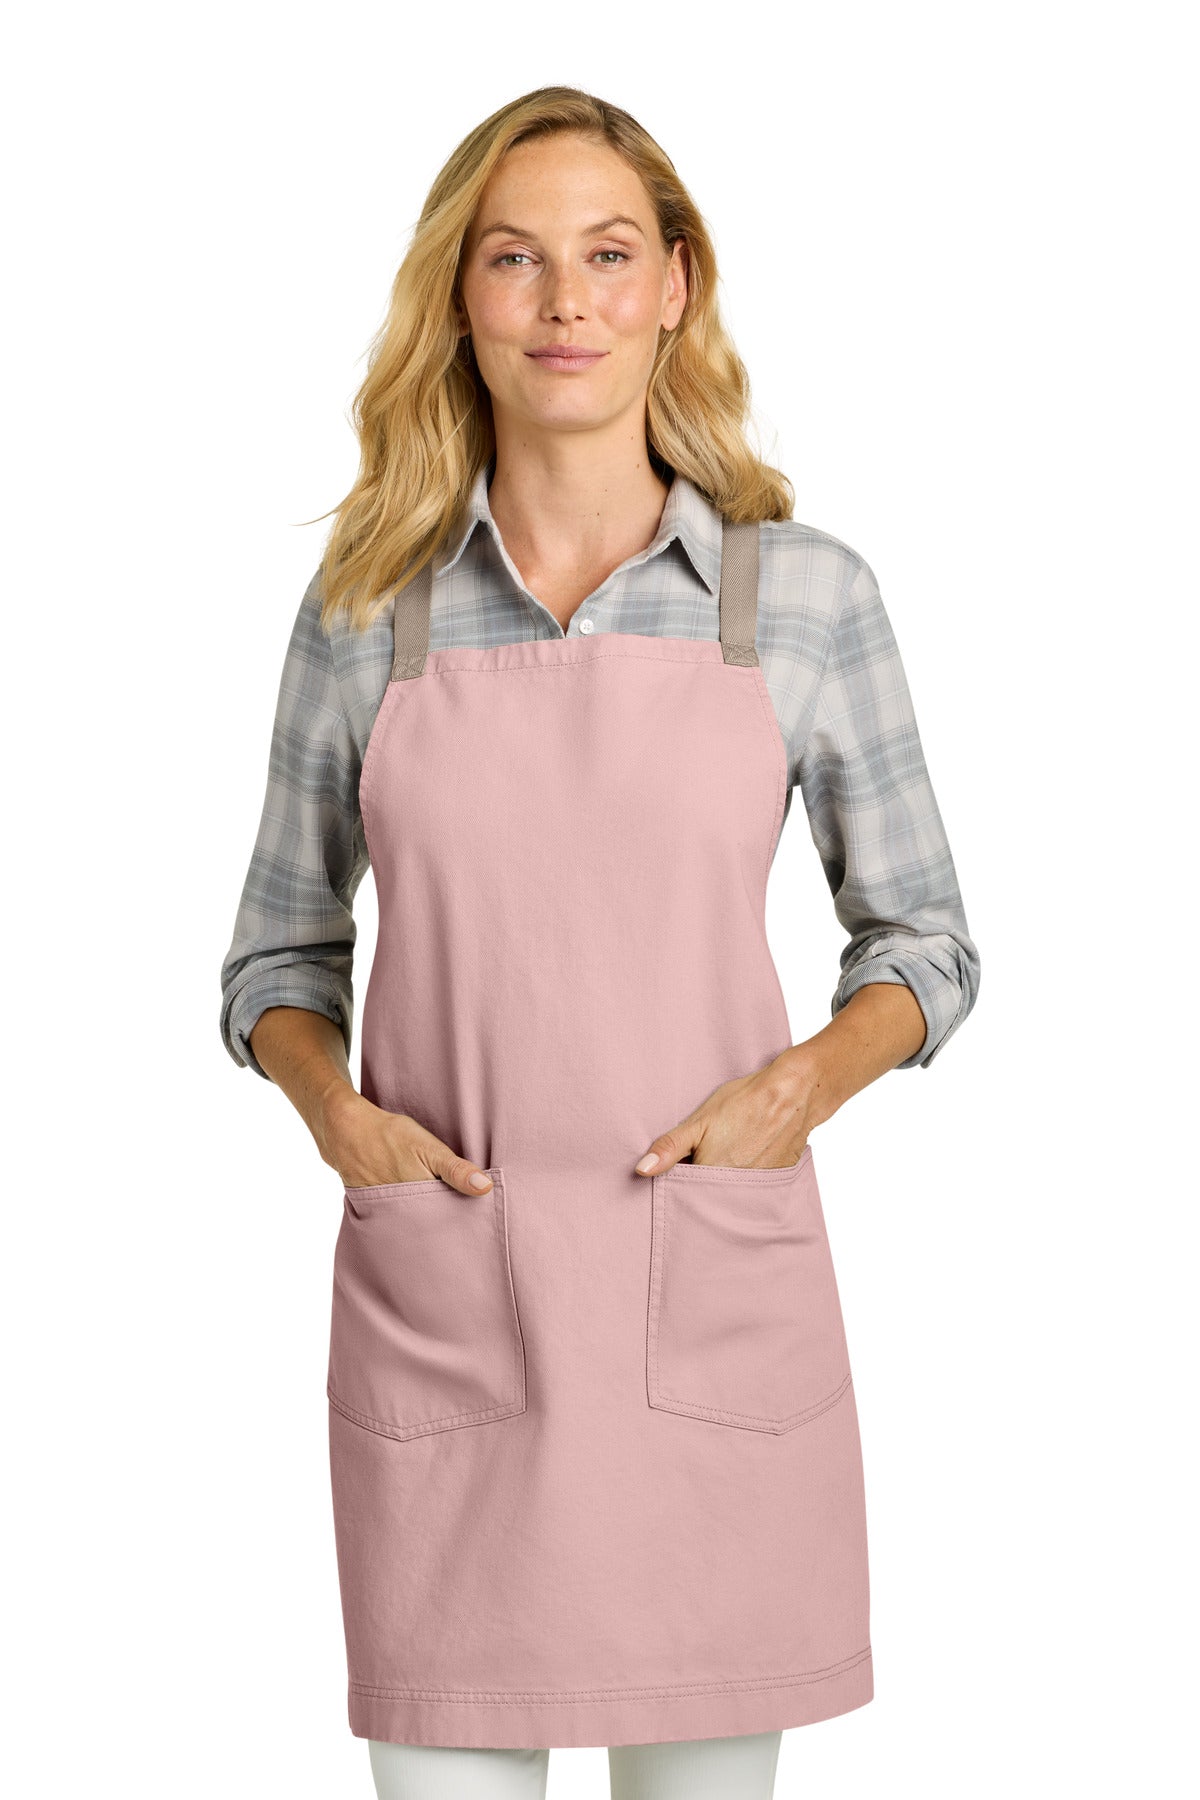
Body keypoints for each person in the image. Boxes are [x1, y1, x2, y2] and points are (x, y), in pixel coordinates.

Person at [219, 85, 980, 1800]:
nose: (565, 301)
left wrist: (797, 1092)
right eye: (516, 259)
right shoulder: (365, 613)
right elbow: (276, 957)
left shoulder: (803, 599)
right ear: (461, 296)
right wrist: (341, 1123)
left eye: (609, 254)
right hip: (451, 1314)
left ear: (675, 286)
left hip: (707, 1314)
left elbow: (925, 941)